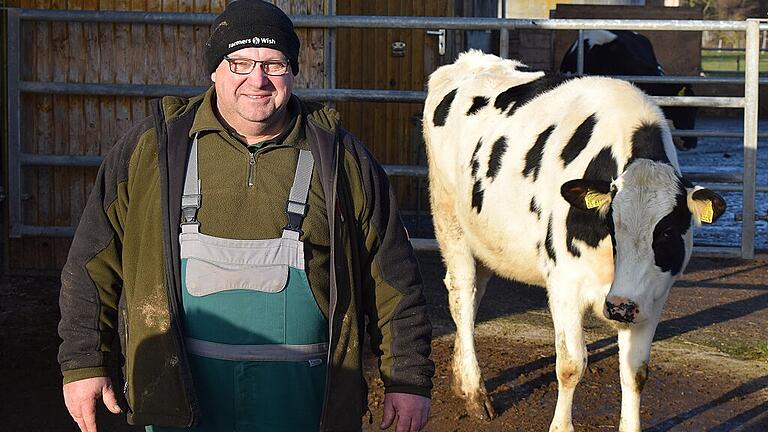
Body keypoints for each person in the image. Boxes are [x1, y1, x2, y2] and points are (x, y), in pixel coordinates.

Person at [57, 1, 434, 431]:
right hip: (178, 400)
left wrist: (408, 379)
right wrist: (84, 362)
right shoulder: (153, 151)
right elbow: (92, 263)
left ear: (292, 71)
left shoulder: (340, 159)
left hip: (305, 406)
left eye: (273, 63)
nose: (257, 79)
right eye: (239, 62)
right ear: (214, 69)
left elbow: (394, 279)